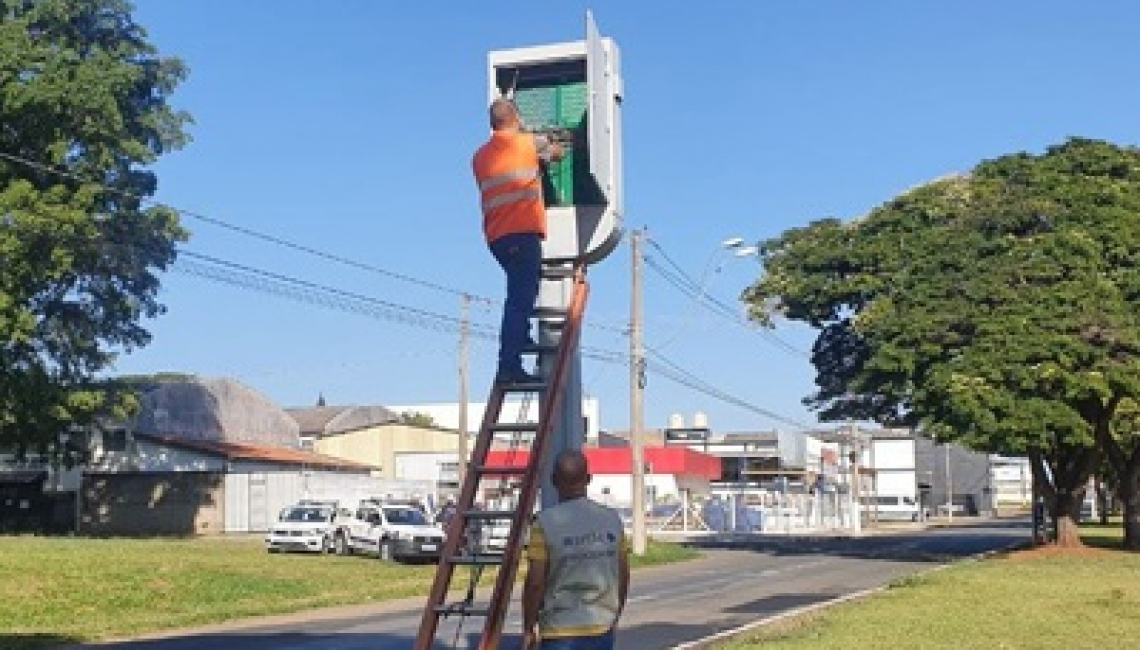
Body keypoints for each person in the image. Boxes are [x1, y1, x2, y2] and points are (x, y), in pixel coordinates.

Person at [472, 98, 565, 384]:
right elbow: (556, 152)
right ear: (514, 117)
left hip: (497, 237)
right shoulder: (526, 144)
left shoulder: (479, 157)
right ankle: (508, 366)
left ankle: (520, 336)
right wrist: (554, 143)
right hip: (522, 232)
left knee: (522, 288)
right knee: (519, 301)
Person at [522, 450, 630, 649]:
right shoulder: (612, 520)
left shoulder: (544, 524)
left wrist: (529, 627)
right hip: (602, 627)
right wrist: (614, 615)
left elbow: (535, 583)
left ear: (554, 481)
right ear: (588, 479)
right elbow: (622, 574)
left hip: (559, 630)